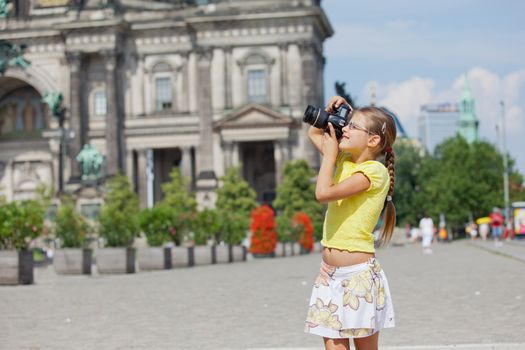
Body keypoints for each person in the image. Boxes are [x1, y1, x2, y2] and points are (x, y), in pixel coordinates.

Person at [304, 96, 396, 350]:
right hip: (328, 275)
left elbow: (323, 193)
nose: (345, 128)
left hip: (358, 277)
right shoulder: (344, 161)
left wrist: (329, 156)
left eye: (353, 126)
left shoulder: (373, 173)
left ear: (373, 140)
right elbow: (314, 132)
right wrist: (328, 112)